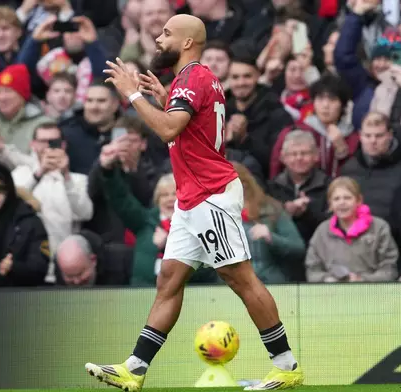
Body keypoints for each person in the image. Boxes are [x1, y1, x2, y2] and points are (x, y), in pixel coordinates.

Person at [88, 13, 303, 391]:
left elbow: (170, 128)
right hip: (191, 198)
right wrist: (163, 98)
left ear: (188, 42)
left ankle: (286, 366)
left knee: (240, 278)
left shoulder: (191, 78)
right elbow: (188, 134)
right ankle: (134, 368)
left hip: (209, 194)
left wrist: (133, 95)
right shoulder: (194, 81)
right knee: (169, 280)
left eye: (167, 33)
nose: (158, 38)